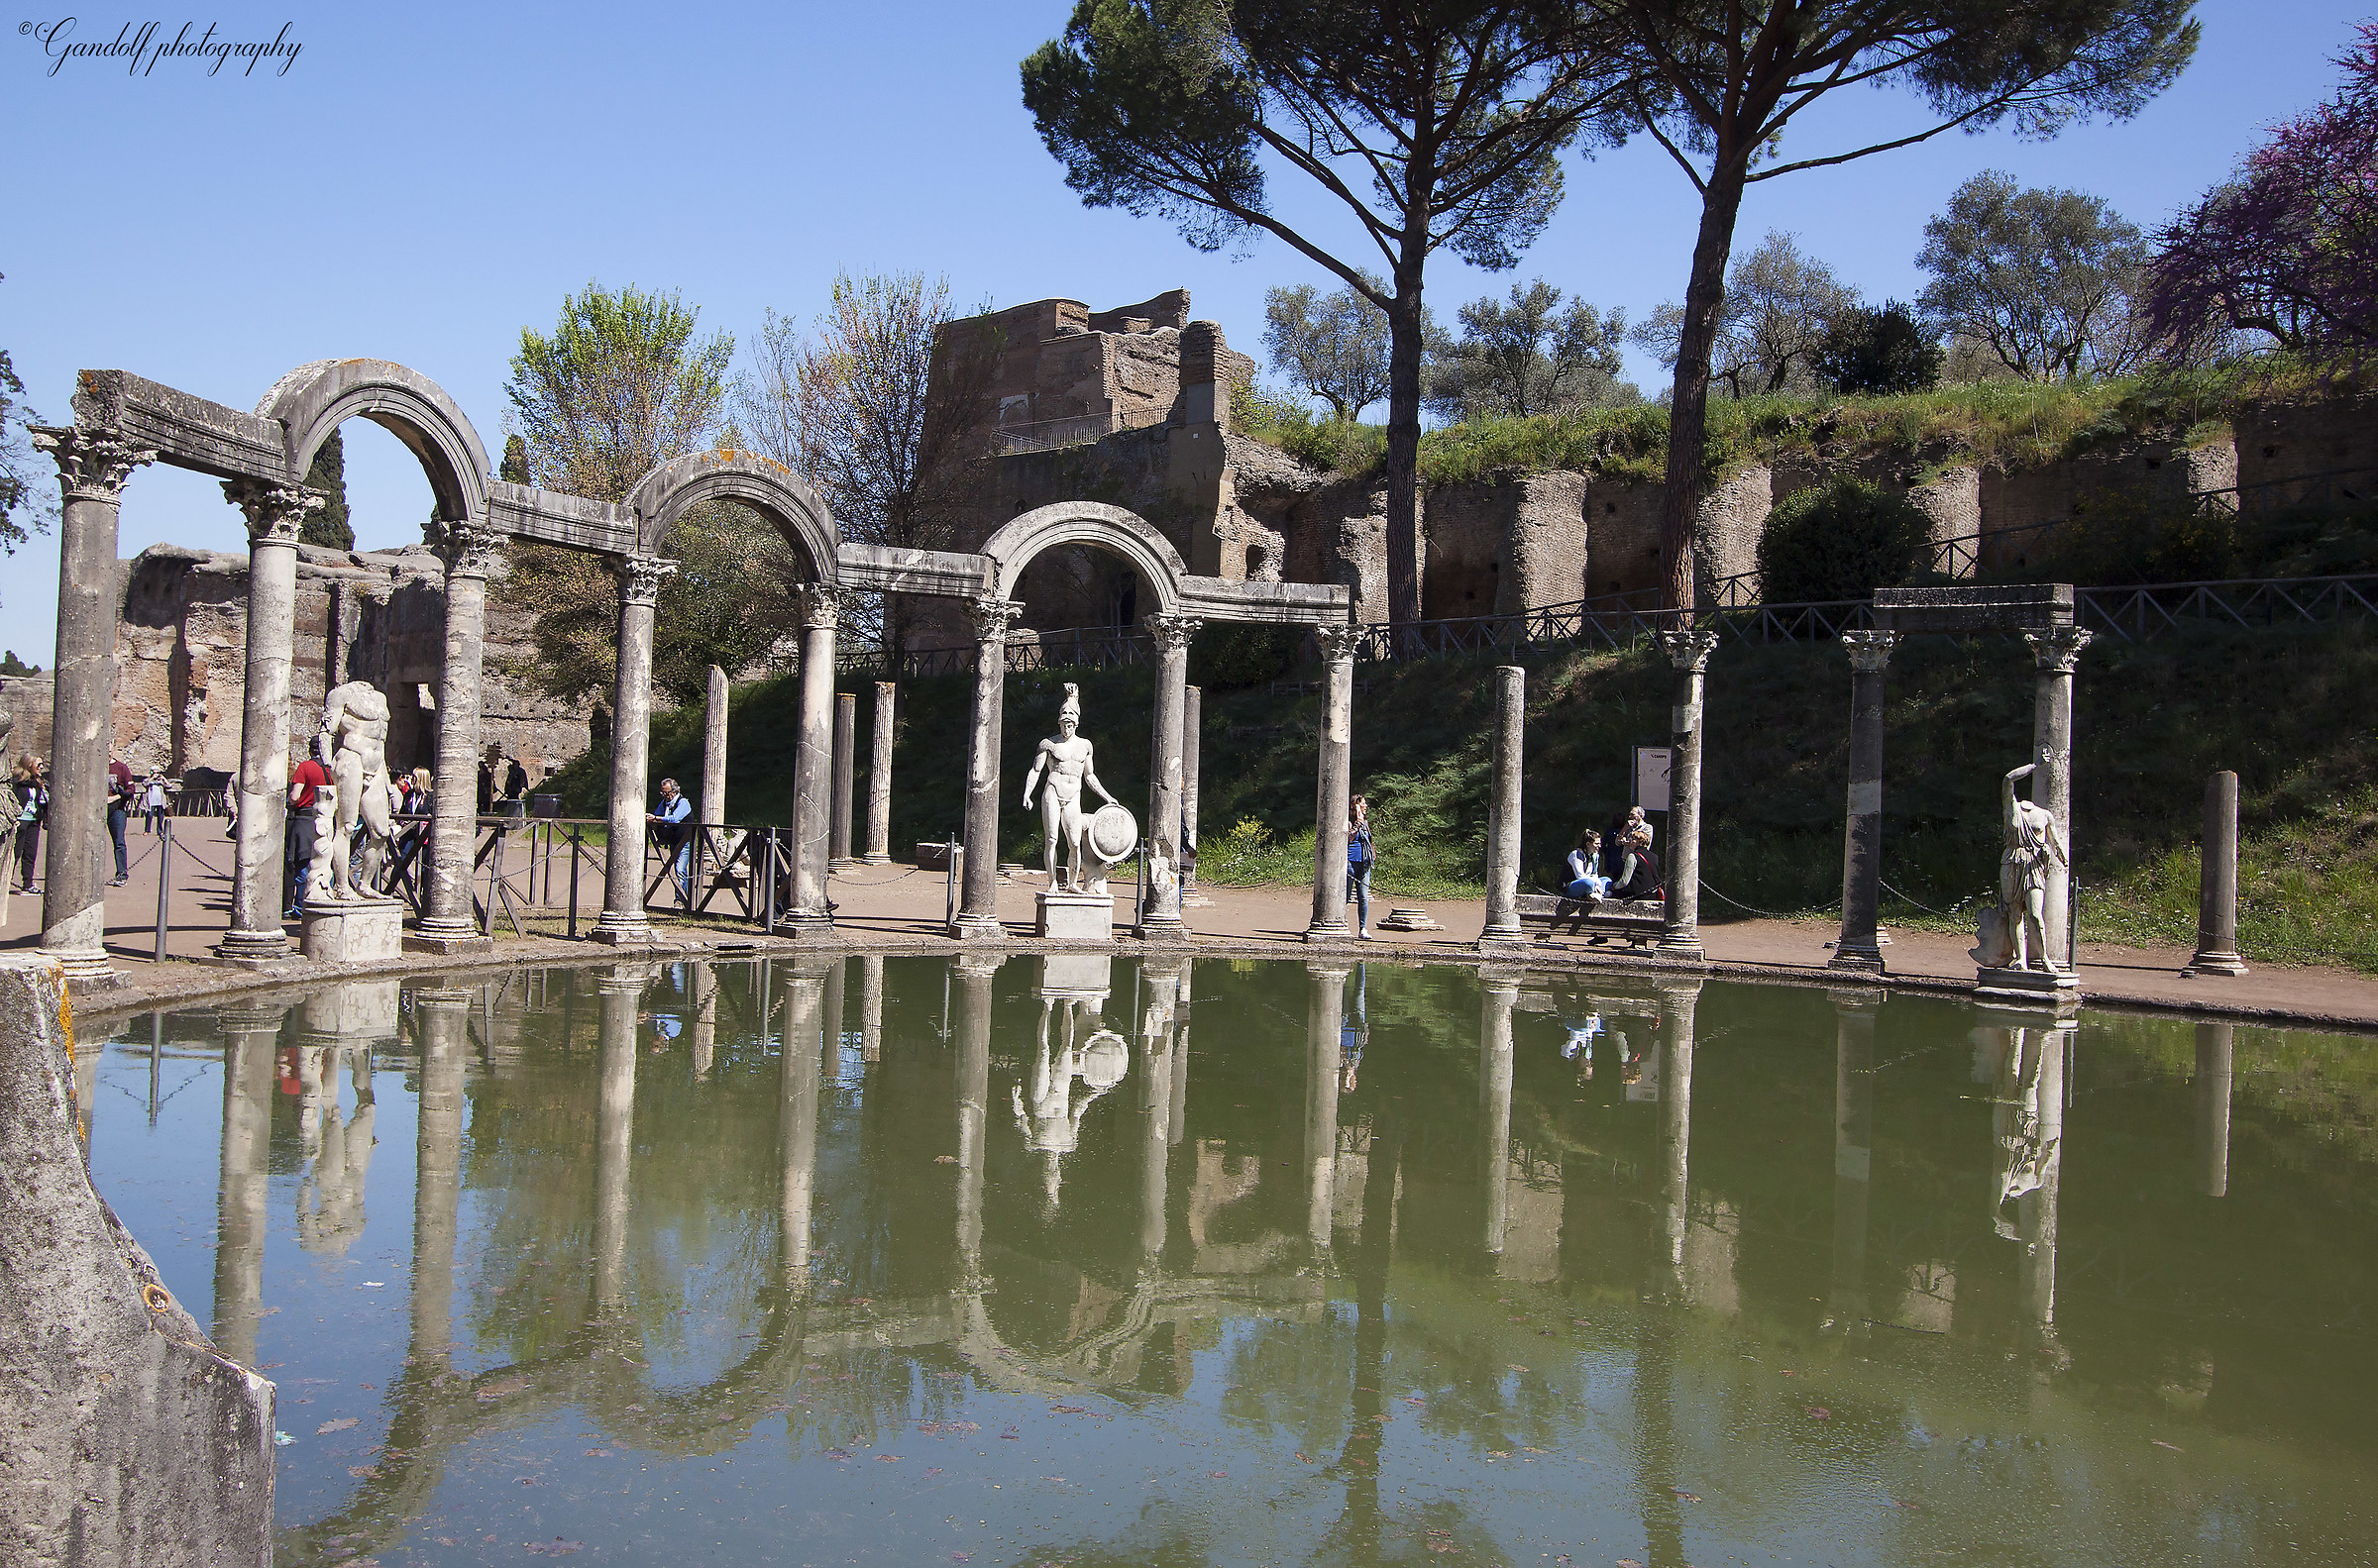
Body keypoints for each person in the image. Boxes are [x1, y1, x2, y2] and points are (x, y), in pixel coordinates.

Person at [287, 741, 332, 918]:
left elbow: (294, 796)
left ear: (310, 750)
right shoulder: (330, 769)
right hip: (327, 820)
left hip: (305, 819)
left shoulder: (305, 767)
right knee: (325, 861)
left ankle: (300, 907)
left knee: (302, 864)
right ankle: (323, 899)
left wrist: (292, 801)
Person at [648, 777, 694, 898]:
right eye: (662, 792)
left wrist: (657, 819)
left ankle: (682, 900)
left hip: (684, 841)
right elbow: (658, 814)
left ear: (674, 791)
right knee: (674, 869)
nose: (664, 795)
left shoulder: (683, 802)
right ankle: (681, 899)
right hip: (673, 841)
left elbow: (675, 819)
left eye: (666, 792)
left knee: (680, 870)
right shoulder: (664, 803)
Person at [11, 755, 46, 892]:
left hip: (33, 820)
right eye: (38, 765)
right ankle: (5, 880)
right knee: (15, 852)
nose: (41, 767)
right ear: (28, 765)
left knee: (30, 853)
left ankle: (28, 883)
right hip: (20, 821)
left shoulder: (37, 782)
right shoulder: (17, 781)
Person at [1347, 793, 1375, 939]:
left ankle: (1362, 928)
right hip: (1350, 862)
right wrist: (1357, 822)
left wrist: (1372, 855)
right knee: (1344, 896)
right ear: (1355, 805)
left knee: (1363, 897)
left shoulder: (1366, 822)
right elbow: (1348, 838)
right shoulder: (1349, 822)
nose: (1366, 806)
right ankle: (1339, 921)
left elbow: (1369, 840)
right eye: (1363, 803)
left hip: (1364, 863)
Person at [1609, 826, 1663, 902]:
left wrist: (1614, 887)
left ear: (1640, 842)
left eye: (1633, 839)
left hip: (1636, 894)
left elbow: (1624, 881)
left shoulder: (1633, 856)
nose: (1630, 841)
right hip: (1652, 894)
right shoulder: (1655, 856)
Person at [105, 757, 133, 887]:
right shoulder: (92, 764)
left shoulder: (121, 767)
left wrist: (115, 797)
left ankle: (122, 874)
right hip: (95, 809)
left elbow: (130, 789)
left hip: (116, 809)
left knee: (119, 841)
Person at [1565, 825, 1610, 901]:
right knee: (1588, 883)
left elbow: (1594, 874)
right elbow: (1580, 876)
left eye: (1600, 844)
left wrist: (1597, 883)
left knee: (1607, 880)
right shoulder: (1576, 854)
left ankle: (1595, 893)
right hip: (1573, 885)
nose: (1599, 846)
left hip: (1592, 883)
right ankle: (1594, 893)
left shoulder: (1595, 855)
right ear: (1588, 844)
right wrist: (1595, 884)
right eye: (1597, 844)